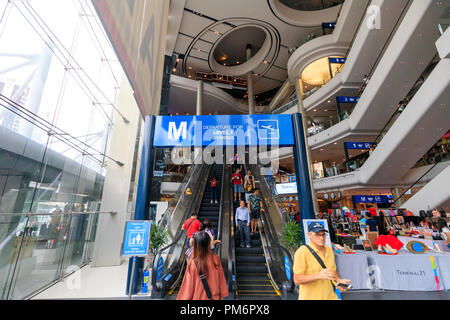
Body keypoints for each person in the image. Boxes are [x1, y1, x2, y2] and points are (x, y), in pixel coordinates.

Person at [293, 222, 350, 300]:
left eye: (323, 234)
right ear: (309, 235)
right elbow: (297, 279)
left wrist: (339, 281)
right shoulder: (302, 252)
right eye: (317, 234)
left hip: (331, 297)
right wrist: (318, 276)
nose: (321, 238)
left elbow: (332, 271)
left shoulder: (329, 250)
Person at [177, 231, 229, 300]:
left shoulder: (193, 263)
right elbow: (221, 279)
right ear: (209, 243)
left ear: (195, 244)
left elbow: (188, 289)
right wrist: (222, 294)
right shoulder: (215, 259)